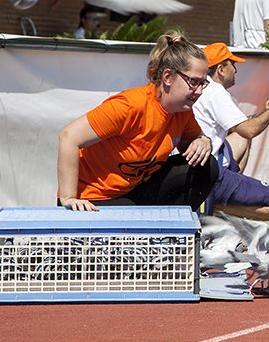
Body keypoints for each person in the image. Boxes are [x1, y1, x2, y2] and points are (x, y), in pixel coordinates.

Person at [57, 32, 217, 211]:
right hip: (92, 200)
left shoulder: (183, 111)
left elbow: (191, 147)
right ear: (167, 78)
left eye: (203, 83)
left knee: (207, 166)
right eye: (193, 82)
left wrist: (203, 140)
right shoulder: (129, 106)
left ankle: (173, 228)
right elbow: (68, 136)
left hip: (131, 194)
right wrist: (69, 198)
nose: (199, 91)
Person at [192, 43, 269, 219]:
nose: (236, 70)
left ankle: (220, 198)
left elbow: (241, 127)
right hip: (211, 175)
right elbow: (249, 130)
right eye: (234, 64)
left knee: (241, 137)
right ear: (221, 69)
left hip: (199, 168)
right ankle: (216, 206)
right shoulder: (216, 91)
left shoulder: (201, 87)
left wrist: (264, 112)